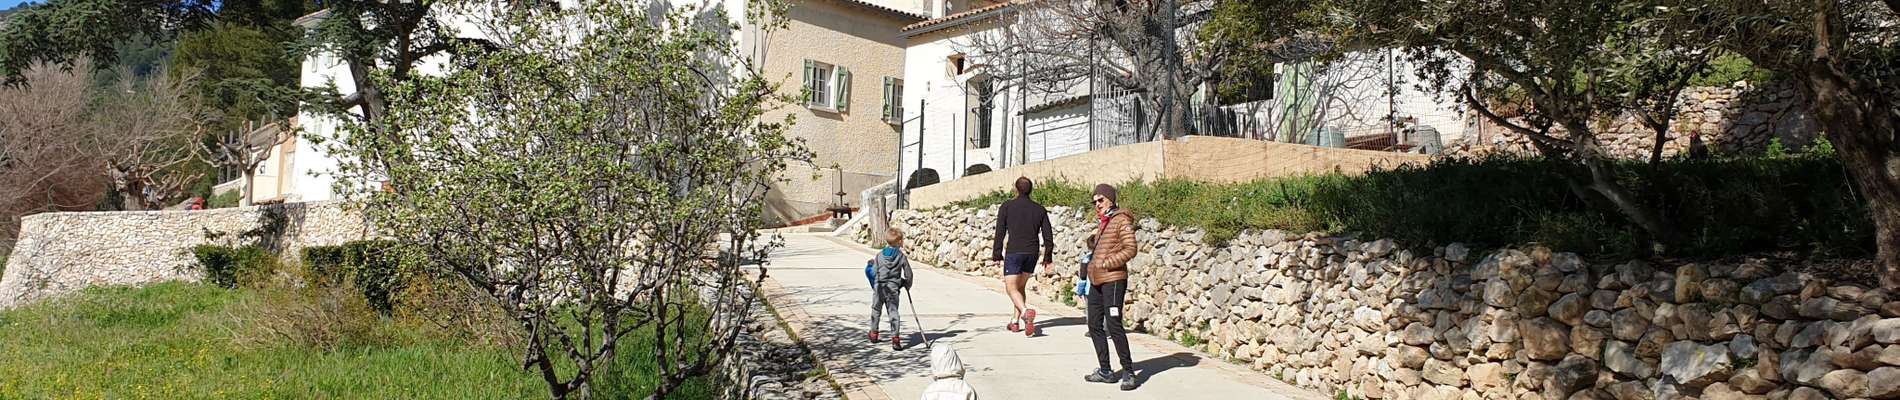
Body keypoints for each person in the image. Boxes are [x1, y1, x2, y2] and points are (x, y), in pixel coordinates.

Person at [1083, 183, 1139, 391]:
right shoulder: (1105, 221)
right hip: (1097, 280)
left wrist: (1107, 263)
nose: (1097, 204)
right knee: (1094, 324)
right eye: (1095, 202)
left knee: (1114, 324)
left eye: (1101, 200)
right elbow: (1108, 246)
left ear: (1111, 199)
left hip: (1113, 279)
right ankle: (1105, 370)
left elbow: (1130, 248)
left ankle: (1128, 372)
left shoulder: (1121, 220)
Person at [991, 177, 1054, 337]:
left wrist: (997, 254)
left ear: (1016, 189)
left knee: (1011, 288)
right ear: (1031, 190)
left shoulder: (1007, 206)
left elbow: (1000, 231)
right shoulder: (1039, 209)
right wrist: (1047, 257)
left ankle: (1025, 312)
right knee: (1020, 287)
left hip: (1014, 252)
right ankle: (1015, 321)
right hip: (1032, 253)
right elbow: (1048, 236)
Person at [870, 228, 915, 350]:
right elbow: (909, 274)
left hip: (879, 288)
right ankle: (895, 339)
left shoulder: (879, 255)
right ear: (899, 242)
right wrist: (907, 284)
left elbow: (873, 272)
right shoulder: (901, 257)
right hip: (893, 289)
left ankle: (873, 333)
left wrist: (872, 268)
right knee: (893, 312)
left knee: (876, 310)